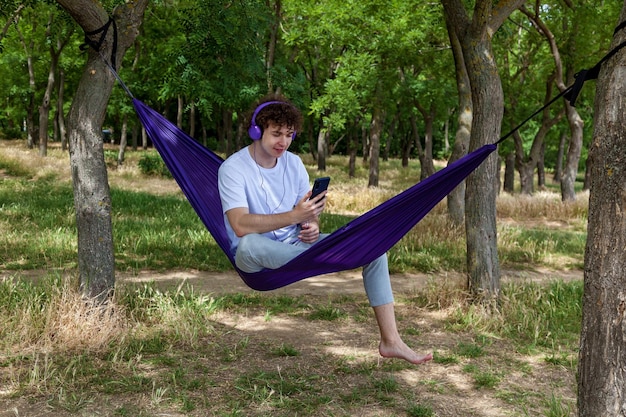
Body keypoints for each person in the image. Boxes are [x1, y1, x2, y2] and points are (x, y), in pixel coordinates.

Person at [218, 95, 432, 365]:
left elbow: (307, 214)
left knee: (375, 251)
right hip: (254, 258)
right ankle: (323, 260)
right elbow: (239, 224)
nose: (282, 142)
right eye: (276, 134)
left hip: (296, 247)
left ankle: (391, 341)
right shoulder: (233, 168)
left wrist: (310, 225)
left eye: (289, 135)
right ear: (257, 131)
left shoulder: (293, 163)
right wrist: (295, 215)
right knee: (249, 243)